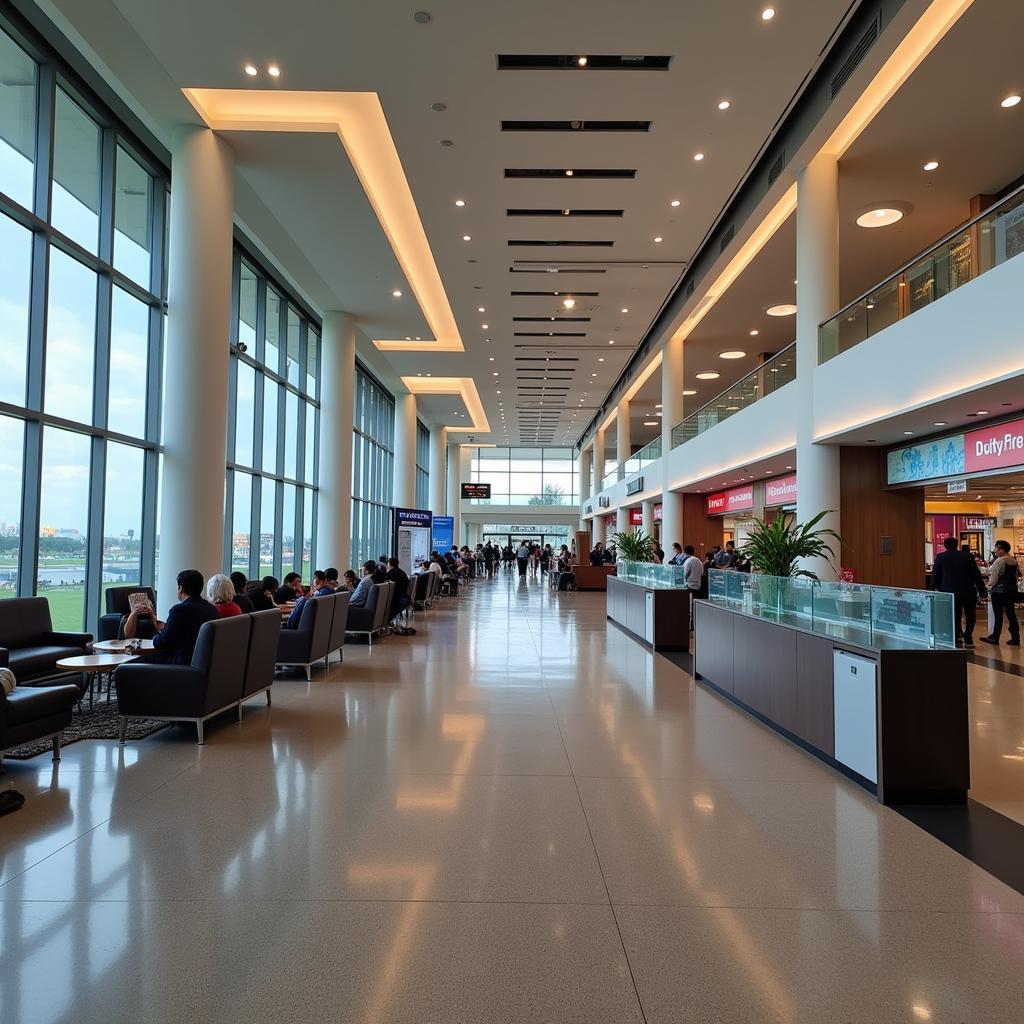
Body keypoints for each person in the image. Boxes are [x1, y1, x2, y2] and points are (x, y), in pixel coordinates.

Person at [144, 569, 219, 665]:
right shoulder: (212, 609)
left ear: (181, 588)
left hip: (179, 665)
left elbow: (161, 643)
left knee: (129, 665)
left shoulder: (179, 611)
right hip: (201, 664)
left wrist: (155, 637)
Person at [932, 536, 987, 647]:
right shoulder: (968, 556)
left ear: (945, 546)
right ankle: (968, 638)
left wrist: (935, 588)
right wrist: (982, 592)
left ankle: (957, 636)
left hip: (949, 592)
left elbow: (935, 575)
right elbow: (976, 575)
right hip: (968, 590)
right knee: (970, 615)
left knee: (954, 615)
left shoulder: (940, 557)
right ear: (957, 545)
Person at [981, 540, 1020, 646]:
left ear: (1001, 549)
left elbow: (994, 578)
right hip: (1011, 591)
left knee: (998, 615)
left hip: (999, 592)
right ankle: (1015, 638)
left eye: (997, 549)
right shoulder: (1013, 560)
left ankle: (995, 637)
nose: (996, 551)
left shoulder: (1000, 561)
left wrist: (989, 586)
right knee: (1011, 614)